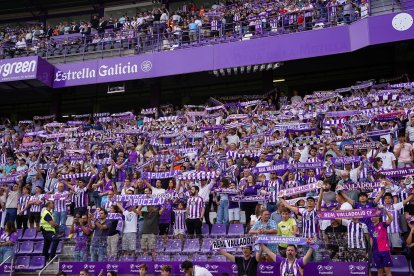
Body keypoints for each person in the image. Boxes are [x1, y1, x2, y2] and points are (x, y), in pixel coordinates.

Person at [367, 206, 393, 276]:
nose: (372, 217)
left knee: (387, 271)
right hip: (376, 252)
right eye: (371, 216)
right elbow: (371, 239)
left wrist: (385, 210)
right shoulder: (370, 227)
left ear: (378, 217)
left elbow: (391, 219)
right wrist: (371, 250)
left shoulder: (383, 224)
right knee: (380, 271)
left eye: (374, 216)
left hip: (385, 250)